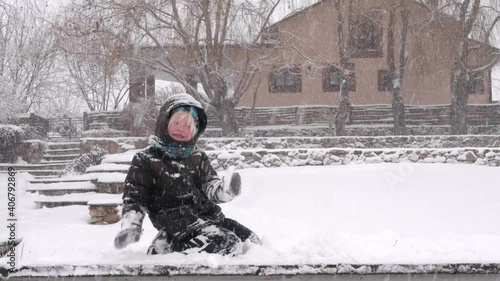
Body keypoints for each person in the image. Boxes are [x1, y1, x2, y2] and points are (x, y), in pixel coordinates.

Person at [113, 93, 259, 256]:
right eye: (176, 122)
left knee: (251, 241)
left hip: (209, 218)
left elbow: (210, 184)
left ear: (195, 133)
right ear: (164, 123)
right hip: (177, 226)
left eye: (189, 126)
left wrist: (225, 191)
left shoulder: (197, 156)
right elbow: (134, 196)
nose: (181, 128)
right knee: (229, 244)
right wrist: (131, 224)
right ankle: (166, 247)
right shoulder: (146, 159)